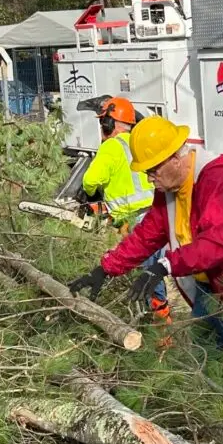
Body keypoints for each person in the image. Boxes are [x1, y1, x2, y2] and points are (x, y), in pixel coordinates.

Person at [69, 115, 223, 365]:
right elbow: (147, 234)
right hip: (208, 293)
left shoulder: (221, 181)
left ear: (176, 158)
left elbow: (216, 244)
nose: (149, 178)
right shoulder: (170, 189)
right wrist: (105, 269)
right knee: (205, 372)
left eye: (152, 170)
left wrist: (165, 265)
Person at [79, 98, 168, 316]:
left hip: (134, 220)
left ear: (109, 124)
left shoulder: (111, 146)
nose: (101, 129)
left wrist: (90, 195)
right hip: (154, 215)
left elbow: (90, 180)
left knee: (146, 277)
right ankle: (155, 318)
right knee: (152, 273)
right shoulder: (138, 141)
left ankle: (162, 328)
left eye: (103, 123)